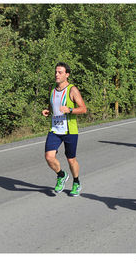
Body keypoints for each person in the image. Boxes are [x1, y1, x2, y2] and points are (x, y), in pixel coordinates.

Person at [42, 62, 87, 196]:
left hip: (69, 131)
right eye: (56, 72)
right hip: (55, 130)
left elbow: (84, 109)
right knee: (49, 157)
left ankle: (76, 182)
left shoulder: (72, 90)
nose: (56, 74)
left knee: (71, 159)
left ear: (67, 75)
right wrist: (48, 111)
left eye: (60, 72)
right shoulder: (52, 89)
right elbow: (54, 105)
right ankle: (61, 175)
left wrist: (70, 109)